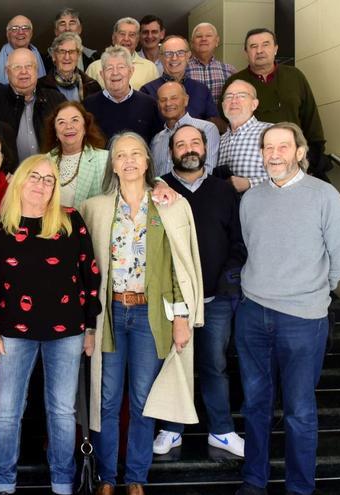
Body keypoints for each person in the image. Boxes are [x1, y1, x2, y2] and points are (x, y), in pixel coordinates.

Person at [81, 131, 203, 495]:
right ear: (113, 164)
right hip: (111, 315)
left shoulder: (169, 205)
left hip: (153, 316)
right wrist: (88, 325)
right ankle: (106, 477)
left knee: (142, 399)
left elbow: (178, 268)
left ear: (149, 161)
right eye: (121, 155)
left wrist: (181, 317)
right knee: (107, 398)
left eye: (137, 154)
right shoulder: (95, 208)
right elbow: (84, 272)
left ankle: (136, 477)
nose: (130, 161)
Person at [234, 122, 340, 495]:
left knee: (299, 411)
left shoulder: (325, 196)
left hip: (304, 318)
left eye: (283, 147)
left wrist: (313, 293)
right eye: (268, 147)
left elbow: (339, 258)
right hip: (252, 313)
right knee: (255, 404)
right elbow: (253, 246)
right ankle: (254, 481)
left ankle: (300, 488)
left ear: (299, 152)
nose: (274, 154)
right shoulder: (251, 199)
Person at [0, 154, 102, 495]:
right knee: (6, 412)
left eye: (49, 180)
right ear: (20, 180)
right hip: (12, 334)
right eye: (35, 177)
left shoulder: (69, 221)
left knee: (63, 412)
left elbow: (89, 275)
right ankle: (3, 483)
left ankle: (63, 483)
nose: (41, 184)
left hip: (66, 332)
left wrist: (91, 327)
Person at [152, 124, 246, 458]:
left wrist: (226, 283)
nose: (189, 148)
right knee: (172, 362)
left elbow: (238, 240)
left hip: (214, 297)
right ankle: (170, 429)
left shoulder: (223, 191)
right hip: (171, 299)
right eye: (181, 144)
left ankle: (221, 430)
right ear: (171, 151)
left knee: (214, 364)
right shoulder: (160, 189)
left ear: (206, 148)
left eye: (195, 142)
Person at [222, 28, 326, 176]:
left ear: (275, 49)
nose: (259, 50)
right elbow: (227, 119)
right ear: (246, 52)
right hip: (256, 162)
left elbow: (311, 118)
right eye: (253, 46)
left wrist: (312, 161)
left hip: (298, 157)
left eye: (265, 44)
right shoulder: (235, 83)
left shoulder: (294, 76)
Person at [0, 48, 66, 164]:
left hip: (50, 173)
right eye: (17, 67)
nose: (23, 72)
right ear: (7, 72)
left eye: (29, 66)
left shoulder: (57, 100)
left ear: (36, 70)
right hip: (12, 178)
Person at [84, 46, 162, 145]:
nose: (115, 72)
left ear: (131, 71)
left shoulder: (149, 104)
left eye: (121, 67)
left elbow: (156, 144)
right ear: (102, 74)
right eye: (109, 68)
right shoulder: (88, 105)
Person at [140, 36, 220, 125]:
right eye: (168, 54)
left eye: (180, 53)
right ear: (161, 57)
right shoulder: (147, 91)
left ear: (188, 56)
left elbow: (213, 122)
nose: (174, 58)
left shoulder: (201, 89)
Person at [44, 101, 108, 209]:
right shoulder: (44, 161)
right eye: (61, 122)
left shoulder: (105, 159)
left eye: (75, 120)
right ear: (55, 131)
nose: (69, 126)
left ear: (85, 127)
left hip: (89, 225)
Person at [149, 81, 220, 176]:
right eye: (163, 100)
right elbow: (154, 176)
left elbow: (208, 171)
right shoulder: (156, 140)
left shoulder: (207, 129)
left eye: (174, 98)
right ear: (158, 104)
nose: (168, 103)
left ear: (186, 100)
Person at [217, 80, 272, 192]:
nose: (234, 101)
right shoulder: (219, 141)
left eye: (241, 96)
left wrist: (249, 183)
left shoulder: (271, 132)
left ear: (254, 104)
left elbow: (292, 174)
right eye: (228, 96)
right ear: (223, 106)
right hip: (229, 208)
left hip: (267, 206)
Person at [85, 17, 160, 91]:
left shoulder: (150, 68)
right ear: (114, 38)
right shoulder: (94, 67)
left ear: (137, 41)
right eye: (122, 34)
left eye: (132, 35)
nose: (126, 39)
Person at [38, 33, 102, 102]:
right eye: (62, 51)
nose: (67, 57)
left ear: (78, 56)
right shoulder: (40, 86)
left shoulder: (92, 86)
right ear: (53, 56)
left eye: (71, 52)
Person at [185, 23, 234, 102]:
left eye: (208, 35)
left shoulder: (229, 70)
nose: (203, 39)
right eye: (199, 36)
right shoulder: (182, 69)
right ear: (192, 43)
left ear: (217, 41)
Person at [0, 15, 46, 85]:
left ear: (31, 33)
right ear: (8, 34)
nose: (20, 32)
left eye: (25, 28)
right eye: (15, 28)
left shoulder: (43, 57)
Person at [52, 8, 99, 72]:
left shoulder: (94, 58)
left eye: (72, 23)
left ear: (80, 29)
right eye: (62, 24)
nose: (67, 28)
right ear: (56, 31)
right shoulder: (44, 60)